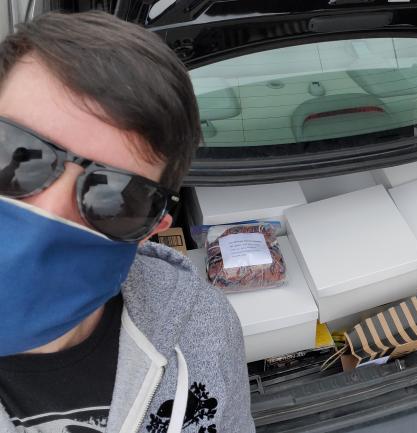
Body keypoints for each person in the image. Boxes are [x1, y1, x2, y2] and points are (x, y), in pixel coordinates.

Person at [0, 11, 254, 433]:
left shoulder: (206, 327)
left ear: (151, 229)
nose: (48, 213)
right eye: (15, 154)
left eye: (115, 197)